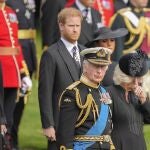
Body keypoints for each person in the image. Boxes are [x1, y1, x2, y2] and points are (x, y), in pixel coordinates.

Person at [38, 7, 85, 150]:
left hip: (84, 122)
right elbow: (44, 92)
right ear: (61, 26)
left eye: (78, 26)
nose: (75, 30)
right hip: (60, 123)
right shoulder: (51, 54)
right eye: (71, 26)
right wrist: (48, 125)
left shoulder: (85, 52)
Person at [57, 47, 115, 150]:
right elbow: (64, 135)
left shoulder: (104, 92)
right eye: (96, 66)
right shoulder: (73, 93)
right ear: (85, 67)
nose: (99, 71)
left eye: (103, 67)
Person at [6, 0, 37, 149]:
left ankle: (12, 138)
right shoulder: (9, 4)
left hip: (25, 56)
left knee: (19, 104)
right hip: (10, 60)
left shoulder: (26, 2)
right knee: (8, 107)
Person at [107, 51, 150, 150]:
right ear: (123, 77)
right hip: (118, 146)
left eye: (138, 78)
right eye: (132, 78)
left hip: (139, 146)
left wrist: (144, 101)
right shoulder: (109, 93)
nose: (137, 82)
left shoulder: (138, 95)